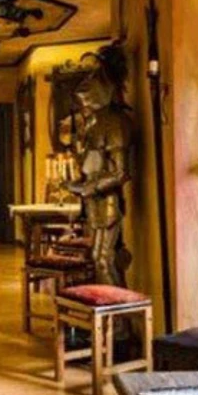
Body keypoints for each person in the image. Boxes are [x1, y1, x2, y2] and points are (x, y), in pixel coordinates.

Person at [66, 43, 134, 285]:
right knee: (98, 257)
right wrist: (78, 183)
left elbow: (120, 172)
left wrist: (89, 187)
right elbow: (91, 164)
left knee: (103, 259)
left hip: (107, 201)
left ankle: (116, 309)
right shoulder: (94, 124)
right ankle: (109, 306)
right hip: (94, 201)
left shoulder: (114, 122)